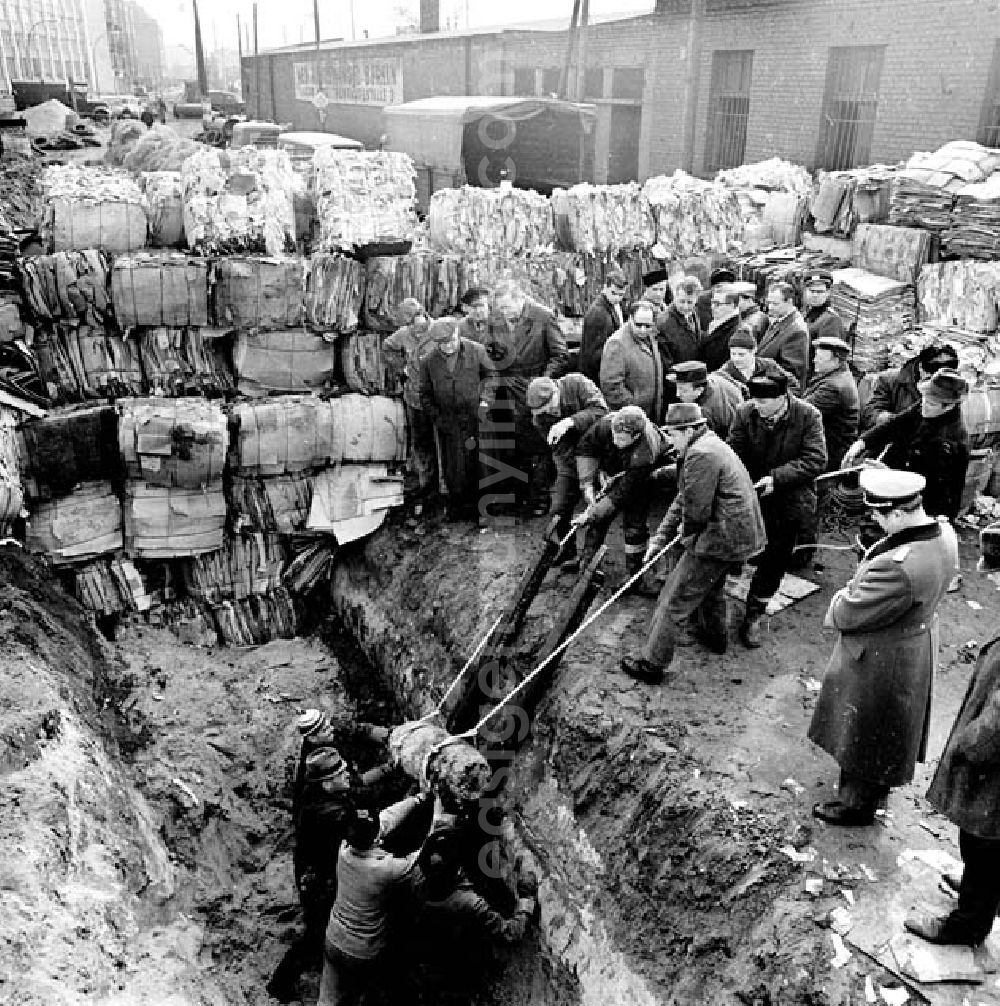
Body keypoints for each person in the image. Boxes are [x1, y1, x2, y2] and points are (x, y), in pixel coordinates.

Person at [808, 469, 958, 826]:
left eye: (878, 514)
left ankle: (856, 805)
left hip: (881, 657)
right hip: (911, 645)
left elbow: (846, 613)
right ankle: (875, 788)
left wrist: (845, 592)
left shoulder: (898, 568)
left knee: (865, 728)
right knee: (889, 727)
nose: (874, 520)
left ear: (899, 513)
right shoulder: (943, 534)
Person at [619, 402, 766, 684]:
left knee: (673, 598)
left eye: (673, 435)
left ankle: (651, 664)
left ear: (689, 430)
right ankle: (715, 638)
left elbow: (695, 512)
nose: (671, 443)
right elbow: (684, 497)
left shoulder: (701, 455)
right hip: (738, 535)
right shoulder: (708, 444)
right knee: (710, 587)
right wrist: (661, 536)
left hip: (722, 538)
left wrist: (680, 539)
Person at [906, 631, 1000, 945]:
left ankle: (968, 924)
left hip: (992, 766)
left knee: (983, 842)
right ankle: (982, 891)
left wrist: (968, 746)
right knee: (985, 847)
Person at [728, 374, 827, 647]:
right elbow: (734, 450)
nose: (757, 406)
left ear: (783, 398)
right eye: (754, 399)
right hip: (752, 493)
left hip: (789, 498)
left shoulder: (808, 416)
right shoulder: (745, 412)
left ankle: (754, 614)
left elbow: (816, 459)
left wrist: (777, 478)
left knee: (775, 558)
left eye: (763, 401)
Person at [317, 792, 434, 1006]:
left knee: (328, 999)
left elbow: (387, 819)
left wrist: (415, 800)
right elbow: (424, 854)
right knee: (363, 997)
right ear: (374, 836)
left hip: (333, 939)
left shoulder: (344, 851)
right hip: (364, 952)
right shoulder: (385, 868)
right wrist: (438, 817)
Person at [404, 828, 538, 999]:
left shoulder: (415, 877)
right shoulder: (469, 903)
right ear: (456, 869)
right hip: (454, 962)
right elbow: (510, 933)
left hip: (425, 952)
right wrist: (526, 900)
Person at [842, 368, 970, 521]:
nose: (923, 406)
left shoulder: (949, 442)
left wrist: (890, 475)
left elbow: (930, 487)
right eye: (923, 399)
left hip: (928, 509)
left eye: (930, 404)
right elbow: (896, 424)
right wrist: (862, 443)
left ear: (949, 406)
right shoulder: (927, 406)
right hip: (902, 491)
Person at [487, 281, 569, 514]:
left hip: (535, 391)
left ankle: (539, 499)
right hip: (507, 391)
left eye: (507, 307)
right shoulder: (497, 319)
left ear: (519, 298)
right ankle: (515, 497)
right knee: (510, 447)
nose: (504, 313)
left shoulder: (542, 317)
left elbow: (560, 355)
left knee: (538, 448)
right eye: (500, 309)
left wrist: (541, 384)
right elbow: (490, 352)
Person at [574, 405, 672, 593]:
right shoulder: (606, 425)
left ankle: (634, 577)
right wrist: (587, 485)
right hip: (615, 469)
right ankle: (586, 570)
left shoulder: (645, 453)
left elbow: (622, 493)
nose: (615, 441)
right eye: (614, 436)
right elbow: (586, 448)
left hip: (642, 478)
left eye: (621, 439)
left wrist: (592, 513)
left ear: (636, 436)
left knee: (634, 525)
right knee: (598, 521)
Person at [525, 374, 608, 567]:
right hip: (570, 462)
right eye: (544, 411)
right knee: (558, 508)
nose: (550, 413)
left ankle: (589, 561)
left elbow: (601, 411)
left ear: (556, 391)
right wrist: (584, 476)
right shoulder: (539, 419)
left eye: (551, 406)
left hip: (603, 456)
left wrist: (569, 421)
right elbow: (560, 450)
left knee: (597, 510)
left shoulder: (577, 384)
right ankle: (566, 549)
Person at [418, 318, 498, 522]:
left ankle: (485, 509)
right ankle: (460, 507)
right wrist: (438, 418)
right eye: (444, 344)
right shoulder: (428, 361)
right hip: (450, 422)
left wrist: (486, 400)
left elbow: (492, 376)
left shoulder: (476, 350)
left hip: (476, 416)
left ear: (458, 334)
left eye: (452, 340)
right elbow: (425, 394)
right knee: (455, 467)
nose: (449, 346)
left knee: (482, 464)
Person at [384, 298, 436, 499]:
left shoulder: (439, 330)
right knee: (421, 442)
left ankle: (443, 485)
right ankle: (425, 484)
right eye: (411, 325)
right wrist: (401, 369)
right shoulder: (403, 335)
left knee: (441, 441)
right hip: (414, 398)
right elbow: (388, 347)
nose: (416, 329)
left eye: (419, 322)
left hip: (438, 398)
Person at [861, 342, 959, 431]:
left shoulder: (953, 385)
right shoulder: (890, 380)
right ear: (921, 367)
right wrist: (891, 420)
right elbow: (870, 413)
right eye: (934, 368)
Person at [599, 300, 665, 424]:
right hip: (630, 420)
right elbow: (611, 386)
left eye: (647, 325)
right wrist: (633, 407)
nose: (643, 329)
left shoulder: (650, 336)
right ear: (630, 319)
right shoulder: (617, 343)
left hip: (652, 414)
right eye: (638, 325)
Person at [802, 335, 860, 472]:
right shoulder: (833, 376)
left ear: (836, 361)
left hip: (830, 453)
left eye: (820, 358)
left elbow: (801, 413)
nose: (814, 360)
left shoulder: (833, 387)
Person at [714, 327, 798, 398]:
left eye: (741, 354)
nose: (736, 359)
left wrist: (781, 400)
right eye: (733, 354)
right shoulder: (723, 374)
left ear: (754, 350)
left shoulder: (769, 366)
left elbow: (793, 385)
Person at [757, 281, 810, 390]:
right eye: (769, 303)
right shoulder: (780, 321)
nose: (770, 307)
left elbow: (790, 373)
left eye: (775, 304)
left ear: (789, 302)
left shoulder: (796, 331)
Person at [668, 360, 741, 439]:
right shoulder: (715, 378)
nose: (678, 394)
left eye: (684, 390)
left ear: (699, 390)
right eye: (677, 388)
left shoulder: (705, 413)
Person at [580, 269, 628, 382]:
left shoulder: (614, 305)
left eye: (620, 295)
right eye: (613, 293)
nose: (617, 298)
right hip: (596, 375)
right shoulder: (598, 313)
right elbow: (594, 354)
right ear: (605, 287)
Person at [657, 275, 703, 368]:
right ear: (675, 296)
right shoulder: (663, 323)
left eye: (690, 302)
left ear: (696, 300)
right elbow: (665, 363)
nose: (685, 306)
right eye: (682, 301)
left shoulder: (694, 314)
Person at [699, 284, 743, 373]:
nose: (712, 307)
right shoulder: (718, 323)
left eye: (717, 304)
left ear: (732, 305)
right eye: (713, 302)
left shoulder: (736, 331)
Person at [801, 270, 845, 343]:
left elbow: (826, 353)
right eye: (812, 291)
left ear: (827, 293)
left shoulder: (831, 320)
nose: (815, 295)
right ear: (805, 291)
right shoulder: (805, 314)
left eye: (820, 292)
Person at [696, 266, 736, 333]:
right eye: (718, 287)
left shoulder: (737, 301)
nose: (722, 290)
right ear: (712, 288)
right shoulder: (701, 303)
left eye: (726, 287)